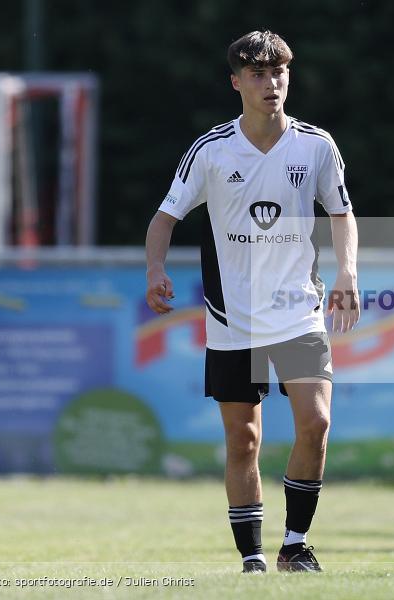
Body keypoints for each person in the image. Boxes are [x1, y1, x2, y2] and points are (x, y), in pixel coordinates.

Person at [144, 30, 359, 573]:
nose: (272, 83)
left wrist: (348, 271)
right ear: (236, 82)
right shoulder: (213, 149)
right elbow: (166, 216)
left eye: (279, 72)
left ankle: (295, 543)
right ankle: (254, 560)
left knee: (316, 421)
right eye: (259, 74)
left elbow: (340, 212)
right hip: (232, 318)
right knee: (244, 439)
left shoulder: (315, 145)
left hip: (298, 311)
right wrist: (155, 268)